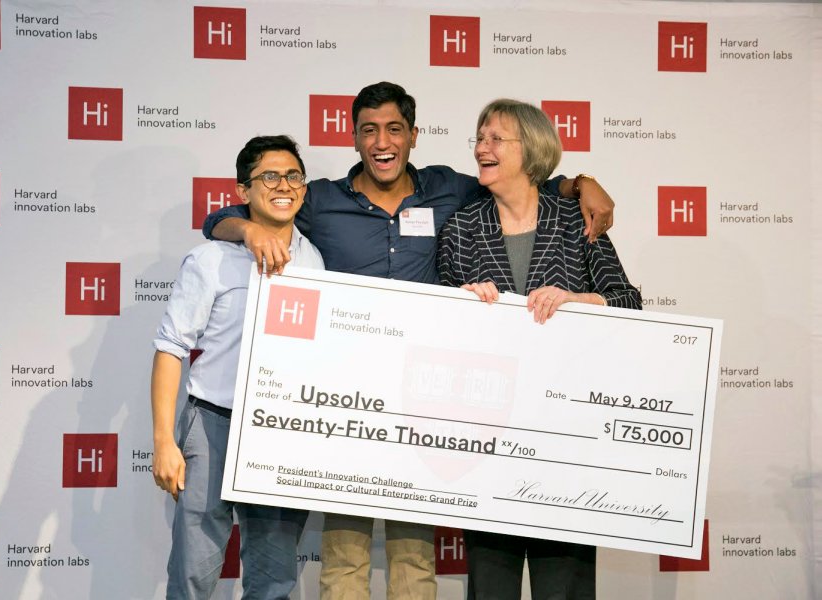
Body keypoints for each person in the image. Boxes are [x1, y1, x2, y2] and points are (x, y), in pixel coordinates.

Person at [202, 82, 617, 600]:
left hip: (425, 401)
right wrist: (246, 231)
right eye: (369, 130)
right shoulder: (322, 200)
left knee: (414, 559)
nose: (382, 141)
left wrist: (583, 183)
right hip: (348, 401)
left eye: (394, 128)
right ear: (353, 137)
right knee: (345, 557)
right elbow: (215, 219)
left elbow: (523, 181)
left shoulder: (450, 191)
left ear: (414, 136)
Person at [437, 98, 642, 599]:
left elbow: (630, 303)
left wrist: (578, 300)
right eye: (479, 139)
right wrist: (459, 307)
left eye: (495, 139)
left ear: (530, 151)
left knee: (564, 588)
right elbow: (436, 330)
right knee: (491, 588)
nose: (481, 149)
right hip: (488, 442)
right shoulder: (461, 229)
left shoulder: (576, 220)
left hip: (566, 443)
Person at [151, 135, 324, 599]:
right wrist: (164, 440)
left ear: (304, 188)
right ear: (243, 191)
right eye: (269, 176)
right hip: (211, 425)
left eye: (292, 175)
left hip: (280, 429)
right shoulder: (210, 259)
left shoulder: (314, 260)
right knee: (194, 573)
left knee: (274, 580)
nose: (282, 185)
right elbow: (171, 348)